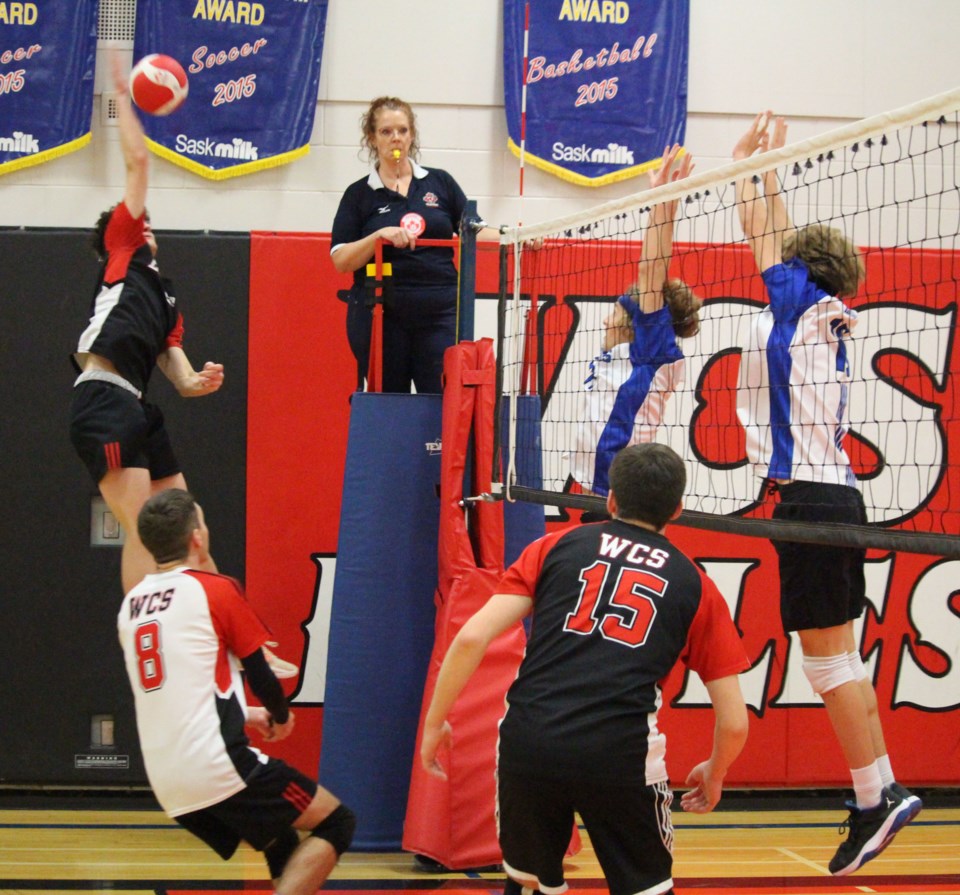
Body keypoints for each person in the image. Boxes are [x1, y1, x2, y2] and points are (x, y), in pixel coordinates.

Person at [421, 443, 750, 895]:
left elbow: (473, 637)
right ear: (677, 509)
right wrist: (715, 773)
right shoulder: (696, 585)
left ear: (611, 500)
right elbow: (734, 722)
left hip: (530, 742)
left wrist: (435, 723)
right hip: (620, 756)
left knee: (531, 883)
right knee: (646, 887)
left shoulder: (553, 546)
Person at [733, 111, 922, 876]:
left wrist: (749, 165)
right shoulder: (833, 319)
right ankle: (878, 792)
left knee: (829, 665)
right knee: (841, 660)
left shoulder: (802, 311)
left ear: (801, 276)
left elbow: (762, 235)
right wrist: (766, 170)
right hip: (835, 498)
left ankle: (875, 792)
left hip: (811, 502)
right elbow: (774, 237)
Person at [117, 488, 355, 893]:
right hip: (217, 766)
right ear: (197, 538)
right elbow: (259, 671)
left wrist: (245, 714)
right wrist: (281, 716)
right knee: (337, 821)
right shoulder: (213, 589)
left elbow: (175, 690)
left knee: (280, 839)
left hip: (167, 780)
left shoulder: (132, 606)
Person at [69, 54, 224, 595]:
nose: (147, 222)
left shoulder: (165, 295)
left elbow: (180, 379)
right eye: (141, 219)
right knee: (143, 530)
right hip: (103, 400)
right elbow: (138, 162)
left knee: (187, 524)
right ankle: (142, 636)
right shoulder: (122, 249)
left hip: (137, 405)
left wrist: (198, 382)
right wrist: (121, 98)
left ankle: (228, 632)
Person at [330, 96, 499, 394]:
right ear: (372, 138)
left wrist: (518, 237)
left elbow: (476, 231)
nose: (396, 137)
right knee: (388, 404)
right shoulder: (358, 194)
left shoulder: (440, 182)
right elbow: (341, 260)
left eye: (403, 130)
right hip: (382, 316)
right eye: (386, 131)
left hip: (440, 312)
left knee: (439, 402)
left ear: (412, 135)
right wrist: (378, 236)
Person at [568, 144, 702, 497]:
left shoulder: (652, 349)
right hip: (599, 480)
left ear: (636, 319)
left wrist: (663, 198)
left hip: (621, 484)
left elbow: (653, 265)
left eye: (613, 311)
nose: (604, 321)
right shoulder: (624, 352)